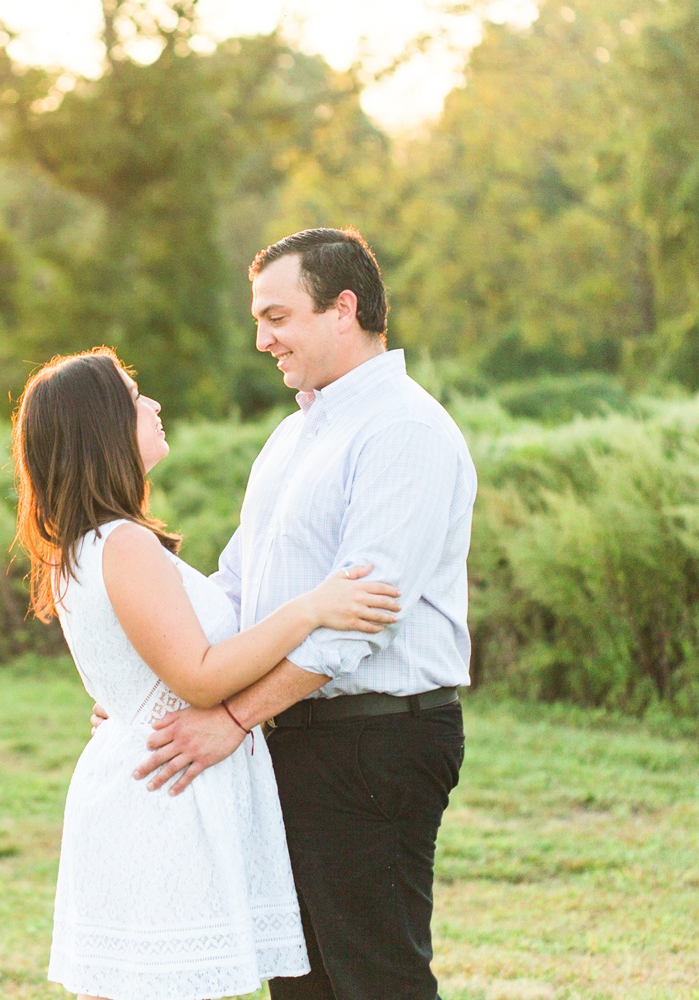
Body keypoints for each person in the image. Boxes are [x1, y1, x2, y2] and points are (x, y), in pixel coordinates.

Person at [129, 228, 477, 999]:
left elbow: (361, 621)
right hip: (293, 739)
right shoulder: (293, 437)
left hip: (377, 738)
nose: (262, 339)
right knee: (299, 980)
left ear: (342, 308)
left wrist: (234, 719)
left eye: (276, 316)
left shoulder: (405, 431)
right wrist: (145, 689)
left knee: (375, 975)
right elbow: (234, 589)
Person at [12, 347, 404, 1000]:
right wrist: (311, 608)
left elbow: (153, 669)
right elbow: (199, 676)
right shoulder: (123, 543)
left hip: (147, 776)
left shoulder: (87, 543)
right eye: (136, 397)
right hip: (165, 787)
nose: (154, 405)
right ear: (103, 426)